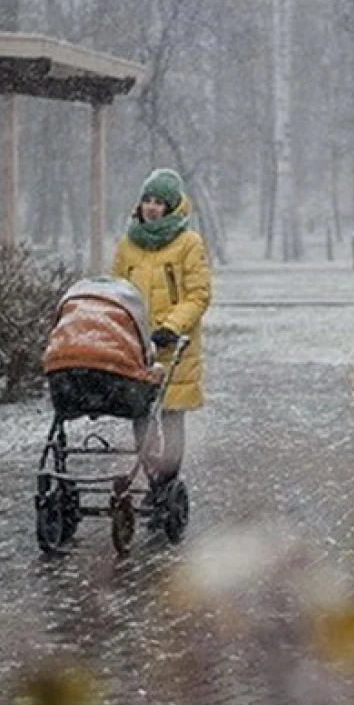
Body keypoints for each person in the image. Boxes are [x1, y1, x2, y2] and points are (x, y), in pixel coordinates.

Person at [111, 168, 212, 499]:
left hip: (174, 347)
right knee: (141, 416)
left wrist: (172, 325)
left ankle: (166, 486)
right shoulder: (128, 244)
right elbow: (118, 289)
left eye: (159, 202)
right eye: (147, 200)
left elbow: (198, 294)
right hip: (137, 346)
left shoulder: (188, 243)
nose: (151, 207)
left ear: (171, 208)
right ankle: (154, 476)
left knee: (170, 417)